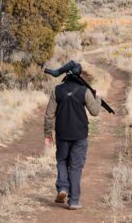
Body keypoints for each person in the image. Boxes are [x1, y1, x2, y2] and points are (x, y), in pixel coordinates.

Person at [43, 70, 102, 210]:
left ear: (65, 79)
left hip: (62, 135)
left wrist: (47, 134)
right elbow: (95, 111)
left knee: (62, 161)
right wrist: (97, 98)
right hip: (80, 135)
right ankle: (74, 201)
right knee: (75, 167)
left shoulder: (57, 90)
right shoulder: (84, 91)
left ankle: (63, 187)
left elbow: (48, 115)